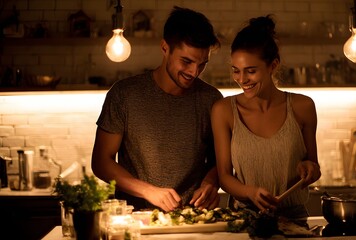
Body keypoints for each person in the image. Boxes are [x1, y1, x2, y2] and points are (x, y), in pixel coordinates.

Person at [91, 6, 223, 212]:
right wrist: (148, 191)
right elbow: (100, 162)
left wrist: (210, 183)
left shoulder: (211, 99)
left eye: (202, 64)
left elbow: (221, 162)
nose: (194, 72)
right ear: (165, 48)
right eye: (186, 61)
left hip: (192, 219)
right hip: (136, 220)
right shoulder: (125, 94)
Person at [211, 15, 321, 218]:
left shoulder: (302, 106)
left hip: (294, 219)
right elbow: (224, 176)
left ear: (273, 65)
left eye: (251, 71)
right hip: (243, 219)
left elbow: (314, 167)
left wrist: (309, 169)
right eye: (236, 71)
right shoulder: (224, 110)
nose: (242, 80)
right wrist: (249, 192)